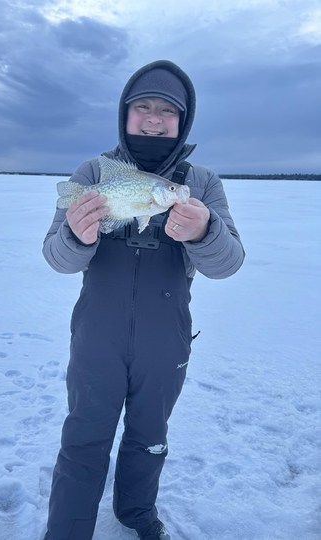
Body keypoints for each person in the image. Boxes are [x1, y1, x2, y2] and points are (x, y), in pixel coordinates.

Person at [42, 60, 245, 540]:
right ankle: (67, 530)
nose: (154, 118)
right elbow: (56, 257)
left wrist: (204, 230)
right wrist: (76, 233)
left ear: (183, 120)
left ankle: (136, 514)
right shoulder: (93, 173)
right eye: (143, 108)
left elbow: (228, 262)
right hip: (97, 336)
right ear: (125, 114)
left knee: (149, 437)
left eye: (167, 111)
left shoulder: (202, 184)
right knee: (84, 436)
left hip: (165, 339)